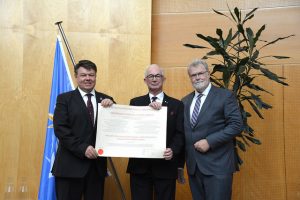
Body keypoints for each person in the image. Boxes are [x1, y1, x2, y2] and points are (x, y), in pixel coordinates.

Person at [52, 60, 114, 200]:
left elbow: (115, 127)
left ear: (95, 76)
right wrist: (83, 148)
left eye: (91, 75)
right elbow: (61, 129)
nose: (88, 78)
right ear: (76, 76)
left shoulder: (107, 100)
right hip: (69, 168)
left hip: (96, 169)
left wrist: (113, 106)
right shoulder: (64, 99)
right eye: (83, 75)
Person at [182, 59, 243, 200]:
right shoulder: (185, 101)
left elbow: (236, 125)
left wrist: (209, 141)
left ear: (208, 74)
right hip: (194, 168)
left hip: (218, 167)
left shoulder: (225, 96)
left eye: (200, 73)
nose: (197, 77)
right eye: (193, 75)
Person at [127, 64, 185, 200]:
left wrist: (173, 150)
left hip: (166, 167)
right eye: (150, 76)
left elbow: (180, 133)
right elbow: (130, 130)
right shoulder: (135, 103)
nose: (154, 79)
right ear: (145, 80)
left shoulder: (177, 105)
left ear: (163, 78)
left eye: (157, 75)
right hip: (139, 168)